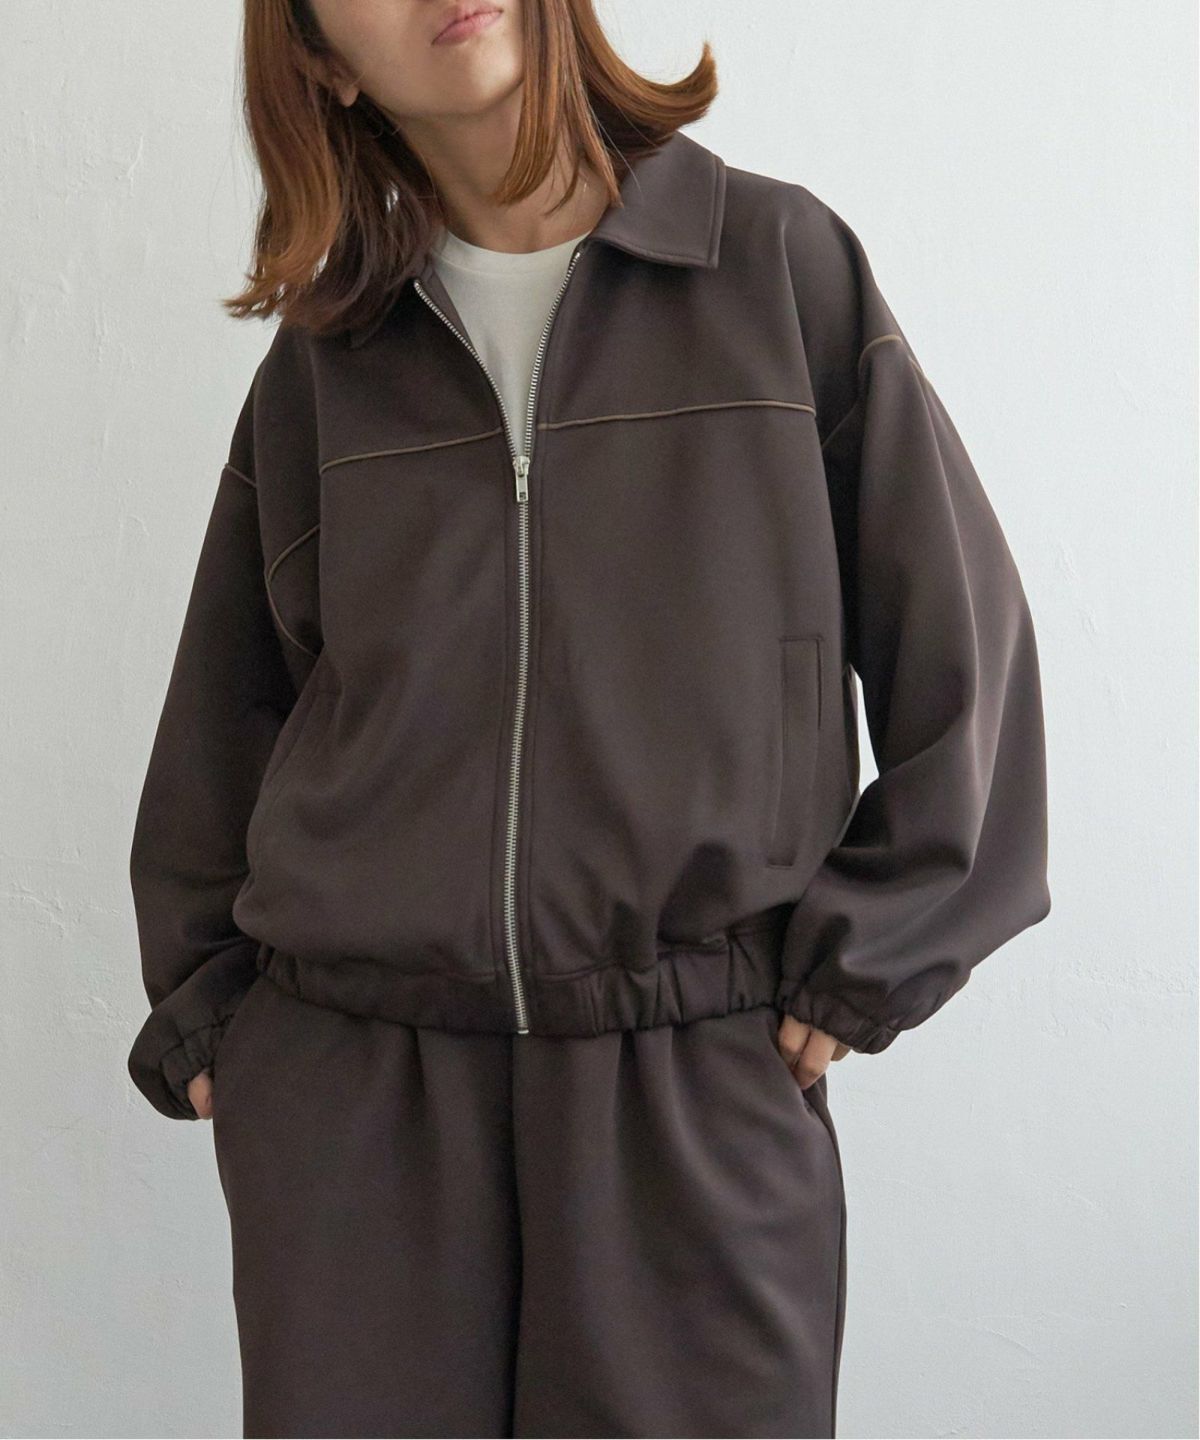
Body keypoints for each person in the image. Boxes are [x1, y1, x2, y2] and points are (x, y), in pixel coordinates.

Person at [125, 1, 1052, 1436]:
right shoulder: (328, 359)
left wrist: (867, 957)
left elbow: (964, 650)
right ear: (319, 58)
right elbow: (229, 709)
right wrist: (213, 1019)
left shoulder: (776, 267)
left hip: (689, 1082)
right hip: (361, 1101)